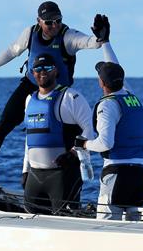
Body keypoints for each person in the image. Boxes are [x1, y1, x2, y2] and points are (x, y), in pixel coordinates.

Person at [0, 1, 109, 185]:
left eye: (58, 20)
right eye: (49, 22)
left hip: (58, 94)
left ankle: (70, 197)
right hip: (30, 87)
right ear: (39, 21)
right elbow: (12, 51)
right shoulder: (30, 34)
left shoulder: (68, 36)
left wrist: (100, 38)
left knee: (67, 144)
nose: (54, 25)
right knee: (1, 127)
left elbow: (89, 42)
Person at [76, 45, 143, 220]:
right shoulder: (132, 98)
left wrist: (84, 144)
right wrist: (105, 42)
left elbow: (105, 144)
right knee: (134, 226)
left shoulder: (107, 104)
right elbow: (115, 66)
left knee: (108, 228)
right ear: (122, 80)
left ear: (101, 83)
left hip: (117, 175)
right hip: (138, 175)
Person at [22, 53, 95, 214]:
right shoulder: (29, 99)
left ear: (55, 71)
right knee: (31, 223)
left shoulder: (71, 97)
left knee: (65, 223)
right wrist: (25, 170)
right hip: (35, 176)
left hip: (62, 176)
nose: (42, 72)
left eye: (47, 68)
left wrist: (73, 153)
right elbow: (30, 139)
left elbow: (90, 130)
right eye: (38, 68)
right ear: (32, 73)